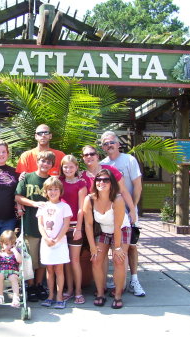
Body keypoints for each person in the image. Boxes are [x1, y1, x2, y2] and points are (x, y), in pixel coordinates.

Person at [99, 131, 145, 297]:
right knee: (114, 246)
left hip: (128, 211)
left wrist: (133, 208)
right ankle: (118, 280)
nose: (109, 145)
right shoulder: (102, 164)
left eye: (111, 142)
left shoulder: (129, 160)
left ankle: (134, 279)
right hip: (111, 214)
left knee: (131, 246)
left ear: (118, 144)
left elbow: (137, 186)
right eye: (105, 143)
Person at [83, 169, 131, 309]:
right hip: (104, 230)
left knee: (119, 260)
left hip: (121, 230)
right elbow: (88, 224)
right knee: (96, 259)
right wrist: (92, 246)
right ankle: (100, 293)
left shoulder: (117, 199)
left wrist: (117, 247)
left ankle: (118, 295)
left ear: (112, 183)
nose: (101, 182)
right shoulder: (90, 199)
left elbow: (117, 226)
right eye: (99, 180)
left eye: (106, 180)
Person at [15, 150, 55, 302]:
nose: (45, 164)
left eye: (49, 162)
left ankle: (39, 284)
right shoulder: (27, 177)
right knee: (30, 258)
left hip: (48, 227)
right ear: (38, 161)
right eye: (43, 161)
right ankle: (30, 285)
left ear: (52, 165)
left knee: (43, 258)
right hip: (30, 224)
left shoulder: (52, 181)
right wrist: (34, 203)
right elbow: (18, 196)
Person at [36, 177, 72, 309]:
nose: (53, 192)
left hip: (60, 243)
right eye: (50, 189)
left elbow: (66, 225)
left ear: (60, 190)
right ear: (46, 191)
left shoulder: (64, 206)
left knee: (59, 270)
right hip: (46, 243)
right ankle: (50, 296)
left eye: (56, 189)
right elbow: (40, 224)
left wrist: (57, 239)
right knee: (49, 270)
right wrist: (46, 238)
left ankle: (59, 296)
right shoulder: (43, 206)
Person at [59, 155, 87, 304]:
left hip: (75, 225)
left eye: (71, 166)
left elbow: (82, 209)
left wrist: (78, 228)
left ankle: (78, 291)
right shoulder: (60, 182)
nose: (68, 169)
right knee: (66, 261)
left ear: (76, 167)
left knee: (75, 260)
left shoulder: (81, 184)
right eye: (65, 166)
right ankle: (69, 290)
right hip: (61, 226)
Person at [0, 230, 22, 308]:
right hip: (1, 271)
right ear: (2, 244)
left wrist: (15, 251)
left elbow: (20, 260)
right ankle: (0, 296)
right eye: (7, 244)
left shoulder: (16, 252)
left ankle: (16, 297)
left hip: (13, 272)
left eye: (12, 244)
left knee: (13, 278)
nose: (9, 246)